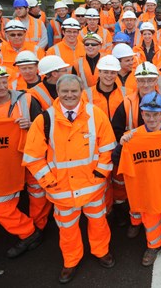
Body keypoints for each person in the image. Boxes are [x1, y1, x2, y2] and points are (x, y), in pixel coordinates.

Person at [23, 74, 117, 283]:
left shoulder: (96, 115)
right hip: (61, 189)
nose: (69, 95)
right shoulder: (44, 119)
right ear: (58, 92)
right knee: (67, 229)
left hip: (92, 187)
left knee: (99, 222)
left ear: (81, 92)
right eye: (65, 91)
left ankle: (101, 251)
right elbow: (32, 157)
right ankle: (71, 261)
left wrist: (100, 174)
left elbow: (108, 147)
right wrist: (49, 181)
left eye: (74, 91)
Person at [0, 65, 45, 256]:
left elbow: (44, 125)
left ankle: (40, 227)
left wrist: (30, 126)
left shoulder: (26, 99)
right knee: (0, 208)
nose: (2, 86)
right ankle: (30, 232)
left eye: (4, 82)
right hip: (1, 165)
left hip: (30, 157)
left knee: (38, 195)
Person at [118, 93, 161, 267]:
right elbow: (117, 160)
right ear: (141, 114)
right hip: (147, 190)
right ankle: (153, 245)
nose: (151, 118)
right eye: (147, 114)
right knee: (150, 221)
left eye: (155, 114)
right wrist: (121, 145)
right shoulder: (132, 137)